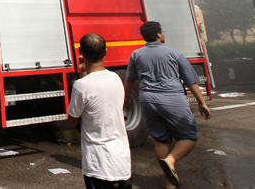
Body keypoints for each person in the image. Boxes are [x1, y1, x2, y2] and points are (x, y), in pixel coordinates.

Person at [124, 21, 211, 188]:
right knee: (189, 136)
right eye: (162, 31)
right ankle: (171, 160)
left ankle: (170, 182)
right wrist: (202, 103)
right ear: (158, 34)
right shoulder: (174, 53)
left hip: (148, 100)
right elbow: (190, 80)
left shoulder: (136, 54)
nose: (164, 33)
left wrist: (126, 97)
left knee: (161, 139)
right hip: (172, 98)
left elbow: (129, 79)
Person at [68, 33, 132, 189]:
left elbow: (73, 119)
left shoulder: (81, 86)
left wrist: (82, 75)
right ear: (106, 52)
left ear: (80, 53)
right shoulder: (116, 79)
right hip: (122, 162)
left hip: (98, 165)